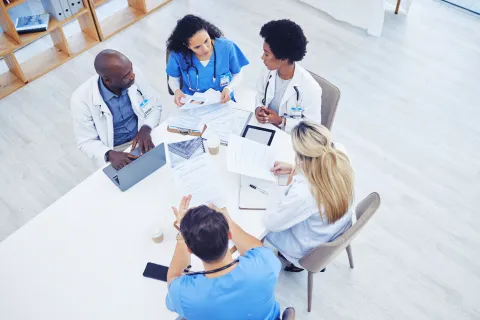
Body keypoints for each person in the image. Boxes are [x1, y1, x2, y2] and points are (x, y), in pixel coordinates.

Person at [166, 195, 281, 320]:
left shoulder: (183, 293)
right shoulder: (264, 263)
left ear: (189, 250)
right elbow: (256, 248)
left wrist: (183, 235)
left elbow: (173, 278)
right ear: (229, 234)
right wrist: (229, 222)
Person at [263, 121, 354, 272]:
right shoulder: (340, 152)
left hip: (310, 248)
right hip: (336, 228)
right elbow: (321, 170)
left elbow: (271, 223)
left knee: (260, 225)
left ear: (302, 158)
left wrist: (287, 186)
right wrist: (296, 169)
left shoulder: (305, 192)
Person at [71, 49, 162, 169]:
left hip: (143, 136)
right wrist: (109, 154)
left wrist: (146, 128)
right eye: (125, 76)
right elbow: (85, 141)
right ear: (107, 80)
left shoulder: (133, 74)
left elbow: (155, 106)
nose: (132, 76)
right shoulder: (81, 99)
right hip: (115, 150)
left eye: (131, 69)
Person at [255, 20, 322, 133]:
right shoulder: (267, 71)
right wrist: (258, 109)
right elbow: (260, 95)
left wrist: (281, 121)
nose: (262, 58)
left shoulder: (310, 88)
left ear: (283, 58)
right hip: (265, 129)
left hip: (290, 139)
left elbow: (313, 129)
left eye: (266, 54)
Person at [166, 15, 249, 106]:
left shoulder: (227, 47)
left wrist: (229, 88)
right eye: (197, 47)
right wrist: (176, 91)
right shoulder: (178, 55)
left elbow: (237, 74)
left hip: (222, 101)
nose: (205, 49)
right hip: (193, 104)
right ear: (187, 46)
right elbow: (173, 78)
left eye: (206, 41)